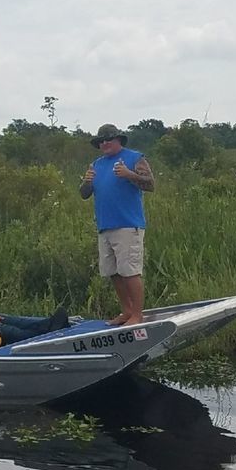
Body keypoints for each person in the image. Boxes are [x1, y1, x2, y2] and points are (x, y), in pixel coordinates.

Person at [80, 123, 155, 326]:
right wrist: (86, 182)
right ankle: (127, 311)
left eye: (109, 139)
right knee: (112, 272)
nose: (105, 143)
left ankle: (137, 315)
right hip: (105, 225)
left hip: (128, 224)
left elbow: (150, 184)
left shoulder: (134, 158)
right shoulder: (96, 164)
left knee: (129, 271)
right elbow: (84, 194)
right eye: (101, 141)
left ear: (119, 140)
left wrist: (129, 174)